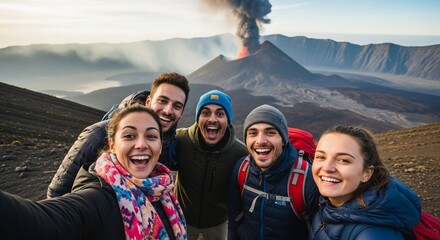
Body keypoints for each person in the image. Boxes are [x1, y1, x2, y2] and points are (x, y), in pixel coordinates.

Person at [0, 104, 187, 239]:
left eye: (151, 136)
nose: (141, 144)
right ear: (113, 145)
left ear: (160, 146)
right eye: (129, 136)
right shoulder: (97, 199)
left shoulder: (164, 192)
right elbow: (42, 222)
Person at [47, 72, 190, 198]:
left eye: (177, 106)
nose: (168, 110)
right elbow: (58, 193)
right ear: (148, 101)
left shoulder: (167, 143)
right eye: (162, 101)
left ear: (182, 113)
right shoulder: (98, 134)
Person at [309, 125, 421, 240]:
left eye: (343, 160)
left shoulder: (373, 235)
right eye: (321, 157)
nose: (327, 168)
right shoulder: (327, 204)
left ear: (366, 173)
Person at [228, 104, 320, 240]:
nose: (260, 141)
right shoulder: (241, 168)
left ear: (283, 139)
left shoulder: (307, 178)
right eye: (253, 133)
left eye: (270, 132)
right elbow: (234, 219)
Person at [173, 90, 248, 240]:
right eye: (205, 113)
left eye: (220, 114)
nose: (212, 119)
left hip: (218, 225)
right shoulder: (181, 139)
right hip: (181, 219)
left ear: (228, 120)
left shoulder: (240, 152)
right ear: (198, 118)